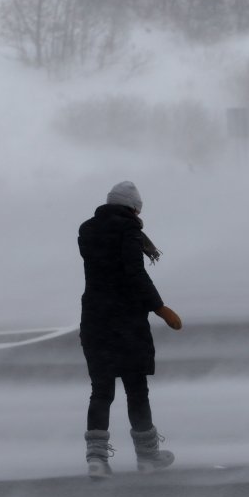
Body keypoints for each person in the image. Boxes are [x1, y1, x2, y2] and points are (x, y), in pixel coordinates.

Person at [78, 180, 182, 479]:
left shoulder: (87, 231)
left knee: (101, 390)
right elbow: (133, 274)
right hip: (125, 321)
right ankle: (148, 456)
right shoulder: (129, 233)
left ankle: (96, 459)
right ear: (133, 209)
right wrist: (160, 308)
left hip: (95, 319)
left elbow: (106, 268)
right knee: (136, 389)